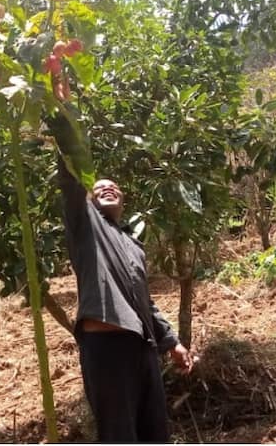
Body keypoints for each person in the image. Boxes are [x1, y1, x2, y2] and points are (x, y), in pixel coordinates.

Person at [55, 148, 194, 442]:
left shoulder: (132, 245)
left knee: (155, 433)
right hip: (108, 348)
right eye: (99, 187)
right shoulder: (86, 226)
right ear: (89, 200)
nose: (108, 187)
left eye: (114, 187)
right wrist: (64, 119)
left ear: (123, 200)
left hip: (143, 348)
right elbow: (70, 180)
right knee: (119, 435)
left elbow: (146, 301)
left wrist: (172, 341)